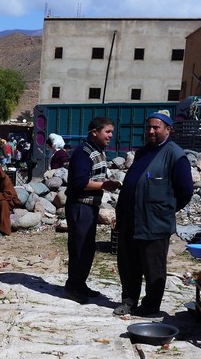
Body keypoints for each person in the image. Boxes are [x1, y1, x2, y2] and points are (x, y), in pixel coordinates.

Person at [113, 111, 194, 317]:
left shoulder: (175, 155)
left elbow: (185, 191)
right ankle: (128, 302)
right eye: (148, 127)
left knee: (153, 268)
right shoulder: (142, 153)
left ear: (168, 129)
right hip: (131, 220)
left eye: (156, 127)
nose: (150, 131)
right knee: (128, 264)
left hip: (155, 222)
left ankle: (150, 306)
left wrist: (164, 209)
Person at [63, 118, 121, 304]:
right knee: (79, 248)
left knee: (88, 248)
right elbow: (79, 182)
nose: (110, 135)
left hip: (90, 206)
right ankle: (73, 286)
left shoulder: (98, 151)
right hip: (80, 206)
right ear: (94, 132)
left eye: (111, 132)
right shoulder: (83, 152)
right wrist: (105, 185)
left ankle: (80, 284)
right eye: (108, 132)